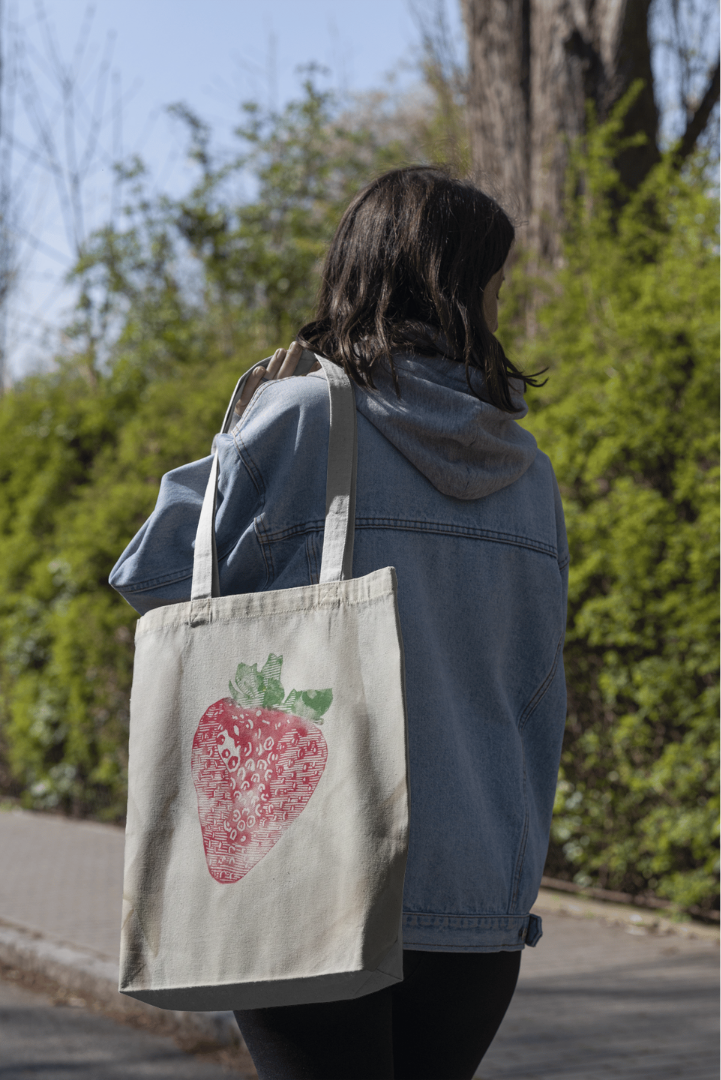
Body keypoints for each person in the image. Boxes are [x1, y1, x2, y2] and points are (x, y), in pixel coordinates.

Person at [110, 166, 568, 1080]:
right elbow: (532, 695)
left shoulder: (301, 420)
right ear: (463, 291)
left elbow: (152, 574)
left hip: (307, 877)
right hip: (478, 889)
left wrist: (243, 431)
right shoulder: (528, 473)